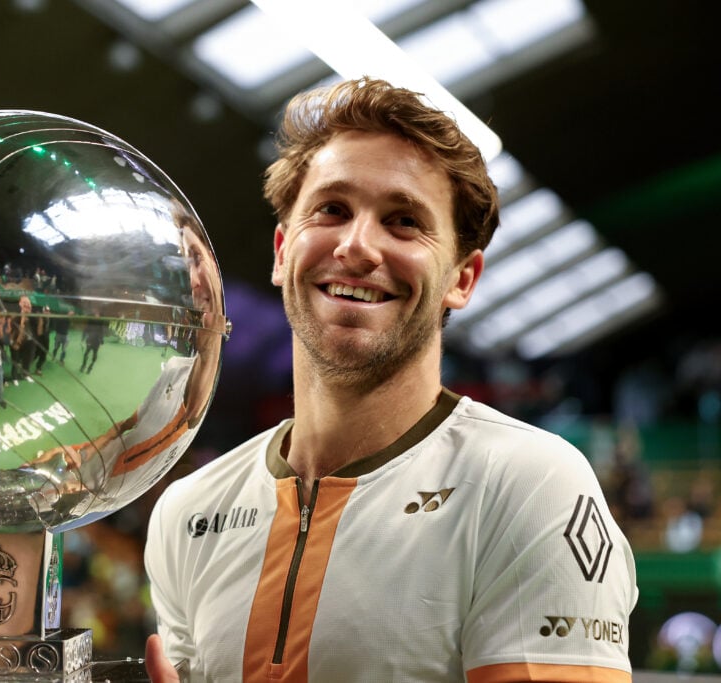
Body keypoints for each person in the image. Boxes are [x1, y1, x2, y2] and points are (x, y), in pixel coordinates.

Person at [143, 78, 637, 682]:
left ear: (462, 277)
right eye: (332, 209)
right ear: (281, 250)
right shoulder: (188, 509)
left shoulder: (528, 487)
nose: (357, 246)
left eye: (404, 221)